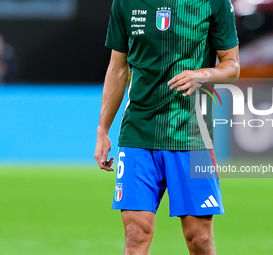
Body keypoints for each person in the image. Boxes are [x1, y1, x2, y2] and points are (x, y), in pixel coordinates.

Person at [94, 0, 240, 254]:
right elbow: (118, 67)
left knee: (199, 238)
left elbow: (232, 64)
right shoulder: (126, 3)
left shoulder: (213, 3)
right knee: (136, 235)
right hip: (138, 131)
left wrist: (202, 75)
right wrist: (102, 130)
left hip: (190, 134)